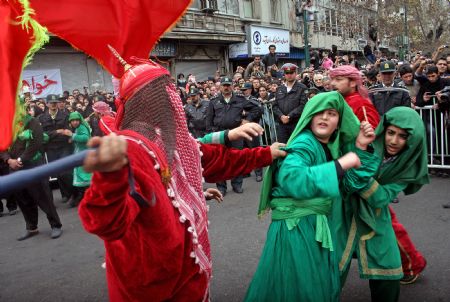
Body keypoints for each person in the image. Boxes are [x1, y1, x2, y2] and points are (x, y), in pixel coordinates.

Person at [78, 58, 286, 302]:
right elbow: (106, 223)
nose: (175, 97)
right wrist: (109, 179)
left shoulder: (170, 139)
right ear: (152, 102)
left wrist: (264, 154)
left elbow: (214, 160)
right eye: (165, 91)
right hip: (155, 289)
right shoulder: (131, 149)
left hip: (185, 276)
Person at [245, 91, 370, 302]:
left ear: (339, 122)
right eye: (318, 112)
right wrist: (344, 163)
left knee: (306, 285)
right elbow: (294, 179)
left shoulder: (330, 146)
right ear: (309, 117)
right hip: (296, 229)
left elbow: (352, 184)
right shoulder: (304, 144)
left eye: (331, 113)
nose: (324, 117)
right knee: (300, 288)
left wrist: (361, 147)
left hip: (312, 227)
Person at [339, 107, 429, 301]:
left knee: (389, 269)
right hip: (342, 213)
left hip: (376, 216)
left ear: (412, 140)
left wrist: (356, 161)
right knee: (331, 269)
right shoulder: (368, 142)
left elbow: (380, 198)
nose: (394, 141)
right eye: (390, 132)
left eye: (402, 136)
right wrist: (358, 153)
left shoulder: (409, 165)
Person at [0, 107, 62, 240]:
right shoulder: (5, 125)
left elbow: (36, 143)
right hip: (14, 168)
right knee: (23, 199)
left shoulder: (32, 122)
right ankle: (32, 227)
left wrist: (20, 159)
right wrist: (8, 160)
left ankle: (55, 225)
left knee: (43, 197)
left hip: (33, 166)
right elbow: (2, 146)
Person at [206, 77, 262, 195]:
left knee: (237, 159)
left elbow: (257, 109)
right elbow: (209, 120)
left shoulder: (240, 99)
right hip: (219, 134)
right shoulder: (214, 101)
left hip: (236, 133)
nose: (226, 87)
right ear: (220, 87)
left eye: (228, 85)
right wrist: (211, 133)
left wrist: (247, 120)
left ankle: (237, 185)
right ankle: (221, 187)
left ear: (232, 86)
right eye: (224, 85)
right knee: (220, 161)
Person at [39, 94, 74, 203]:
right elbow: (42, 134)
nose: (54, 105)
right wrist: (57, 132)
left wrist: (54, 133)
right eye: (52, 103)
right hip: (51, 148)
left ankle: (74, 193)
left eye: (55, 102)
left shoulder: (65, 115)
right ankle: (65, 194)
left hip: (64, 146)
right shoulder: (41, 118)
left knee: (66, 171)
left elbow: (67, 131)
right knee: (58, 172)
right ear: (47, 104)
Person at [272, 63, 308, 143]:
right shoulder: (280, 89)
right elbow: (274, 106)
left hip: (296, 123)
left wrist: (289, 116)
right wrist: (281, 116)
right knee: (282, 148)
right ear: (284, 74)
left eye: (291, 73)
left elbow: (303, 105)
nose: (289, 75)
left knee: (296, 146)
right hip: (282, 124)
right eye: (287, 73)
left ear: (295, 73)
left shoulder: (302, 88)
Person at [65, 111, 92, 208]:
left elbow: (85, 138)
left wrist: (72, 135)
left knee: (85, 178)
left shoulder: (81, 127)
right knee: (83, 177)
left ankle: (87, 199)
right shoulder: (78, 128)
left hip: (84, 156)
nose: (75, 122)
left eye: (77, 120)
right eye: (73, 121)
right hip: (81, 155)